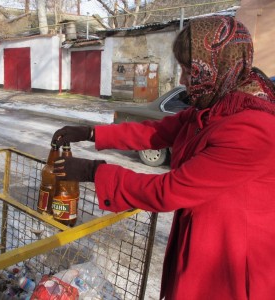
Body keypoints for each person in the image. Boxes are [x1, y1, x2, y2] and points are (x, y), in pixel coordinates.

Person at [51, 16, 275, 299]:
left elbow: (168, 191)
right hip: (206, 244)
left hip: (230, 266)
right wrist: (91, 132)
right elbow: (156, 132)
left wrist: (94, 172)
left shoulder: (251, 129)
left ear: (217, 66)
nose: (182, 80)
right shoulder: (218, 106)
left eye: (188, 71)